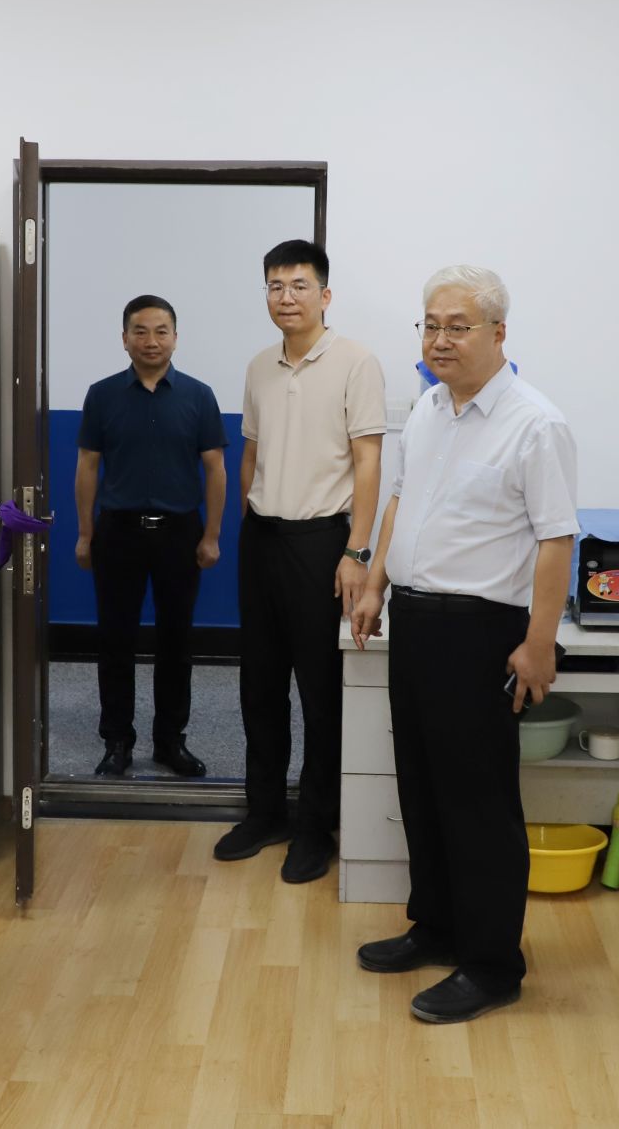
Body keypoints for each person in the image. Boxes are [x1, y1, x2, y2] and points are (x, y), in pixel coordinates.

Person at [351, 265, 578, 1023]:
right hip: (416, 621)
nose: (439, 339)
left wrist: (539, 644)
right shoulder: (427, 409)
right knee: (421, 785)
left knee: (478, 801)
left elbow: (556, 540)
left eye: (458, 326)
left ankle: (491, 963)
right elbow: (401, 501)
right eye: (430, 324)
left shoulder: (534, 423)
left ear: (498, 333)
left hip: (482, 631)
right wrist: (376, 584)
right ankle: (438, 926)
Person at [216, 239, 386, 885]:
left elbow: (368, 461)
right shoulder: (260, 365)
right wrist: (248, 525)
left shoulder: (356, 362)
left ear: (325, 294)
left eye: (299, 285)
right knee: (259, 686)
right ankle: (266, 813)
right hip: (262, 539)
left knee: (320, 692)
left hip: (322, 544)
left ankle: (316, 827)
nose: (286, 297)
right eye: (275, 286)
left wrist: (356, 551)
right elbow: (251, 454)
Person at [73, 295, 226, 778]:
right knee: (114, 640)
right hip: (118, 533)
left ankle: (169, 741)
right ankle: (117, 740)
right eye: (140, 331)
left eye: (161, 331)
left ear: (176, 338)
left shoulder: (199, 396)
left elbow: (216, 469)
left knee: (176, 642)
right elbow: (87, 466)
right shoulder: (101, 395)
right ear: (124, 339)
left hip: (180, 534)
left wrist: (212, 535)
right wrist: (85, 534)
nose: (151, 341)